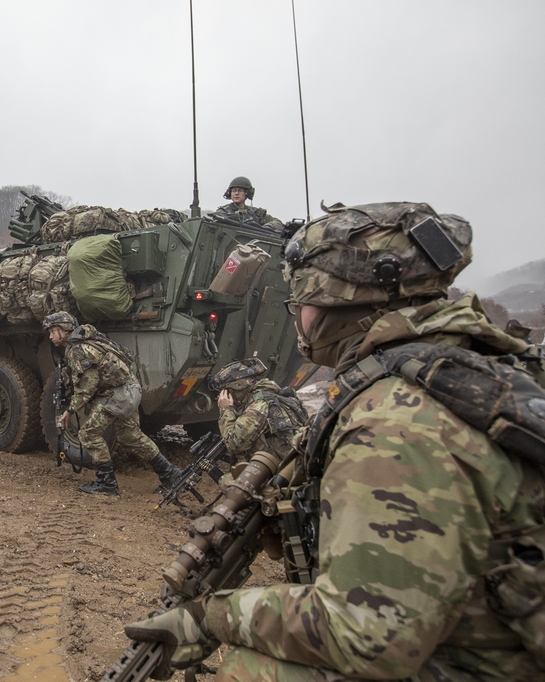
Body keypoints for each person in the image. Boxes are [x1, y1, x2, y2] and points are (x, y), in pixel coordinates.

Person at [125, 202, 545, 680]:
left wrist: (208, 618)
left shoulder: (395, 420)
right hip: (491, 627)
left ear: (339, 303)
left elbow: (367, 634)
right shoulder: (464, 365)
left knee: (252, 669)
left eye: (299, 300)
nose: (295, 315)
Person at [43, 311, 183, 496]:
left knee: (88, 434)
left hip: (119, 395)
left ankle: (106, 483)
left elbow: (87, 386)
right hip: (128, 390)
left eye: (54, 330)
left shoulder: (78, 349)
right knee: (130, 436)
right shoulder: (88, 341)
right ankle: (170, 474)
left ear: (66, 330)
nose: (51, 336)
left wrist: (70, 410)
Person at [211, 358, 306, 464]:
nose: (222, 396)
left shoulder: (259, 407)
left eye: (227, 392)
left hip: (284, 470)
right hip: (294, 461)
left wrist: (226, 409)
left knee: (226, 480)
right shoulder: (272, 393)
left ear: (237, 388)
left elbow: (234, 445)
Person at [214, 176, 282, 230]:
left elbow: (278, 223)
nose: (236, 193)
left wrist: (267, 226)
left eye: (240, 191)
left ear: (247, 193)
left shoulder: (257, 213)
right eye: (234, 191)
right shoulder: (224, 211)